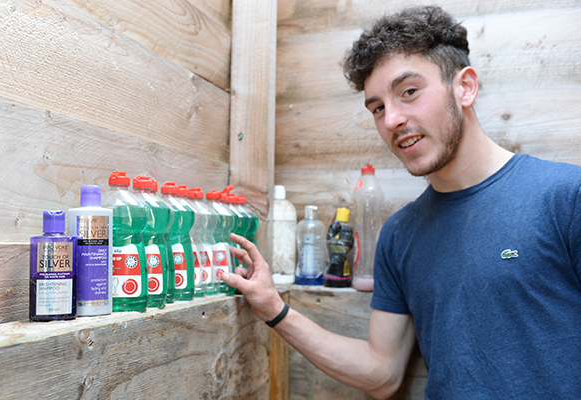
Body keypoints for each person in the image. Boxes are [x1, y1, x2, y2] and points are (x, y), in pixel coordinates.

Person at [222, 5, 581, 399]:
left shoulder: (565, 196)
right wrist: (274, 308)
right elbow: (382, 374)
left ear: (465, 87)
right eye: (377, 107)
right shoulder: (399, 235)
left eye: (408, 92)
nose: (391, 119)